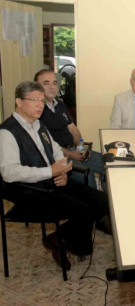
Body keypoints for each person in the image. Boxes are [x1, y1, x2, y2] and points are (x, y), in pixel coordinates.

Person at [0, 81, 111, 270]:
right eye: (34, 100)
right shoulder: (7, 132)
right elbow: (9, 172)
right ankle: (59, 239)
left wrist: (63, 171)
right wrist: (50, 172)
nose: (39, 105)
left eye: (41, 101)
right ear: (19, 101)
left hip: (51, 179)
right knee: (84, 210)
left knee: (101, 199)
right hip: (27, 189)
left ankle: (62, 239)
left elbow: (57, 153)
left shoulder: (39, 125)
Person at [34, 69, 104, 190]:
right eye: (46, 83)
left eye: (54, 83)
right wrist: (72, 154)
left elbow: (73, 129)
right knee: (88, 175)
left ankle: (109, 202)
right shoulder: (37, 110)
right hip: (58, 158)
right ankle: (97, 206)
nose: (52, 87)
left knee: (107, 163)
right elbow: (48, 144)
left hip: (73, 150)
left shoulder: (60, 104)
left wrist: (80, 147)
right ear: (37, 87)